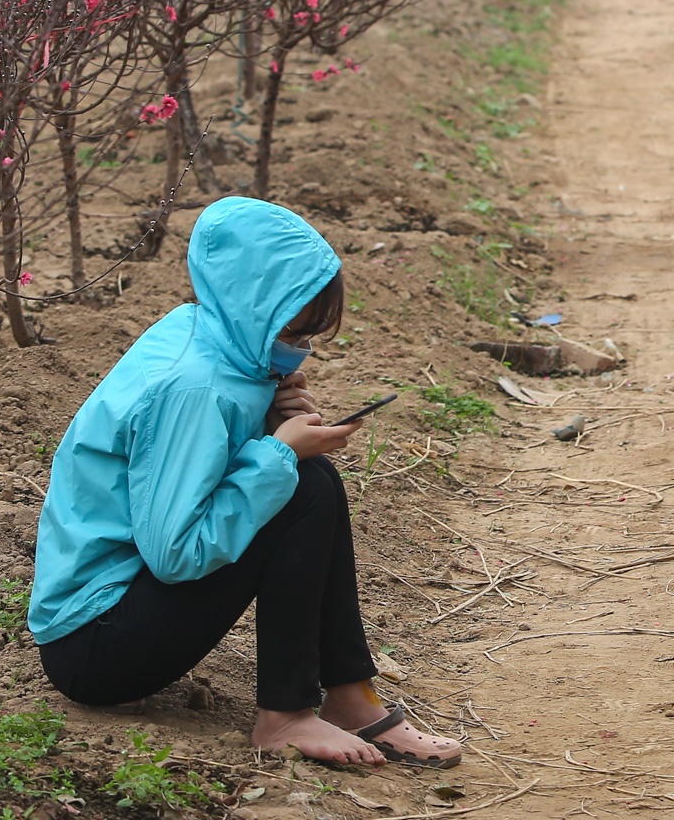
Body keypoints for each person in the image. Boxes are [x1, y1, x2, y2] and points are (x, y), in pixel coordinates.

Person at [29, 196, 463, 768]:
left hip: (120, 613)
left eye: (308, 333)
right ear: (250, 305)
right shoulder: (194, 388)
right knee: (300, 487)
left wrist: (269, 421)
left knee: (313, 479)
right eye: (289, 328)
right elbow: (174, 553)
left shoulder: (212, 334)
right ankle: (284, 717)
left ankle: (349, 697)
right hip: (96, 644)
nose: (298, 345)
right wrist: (277, 452)